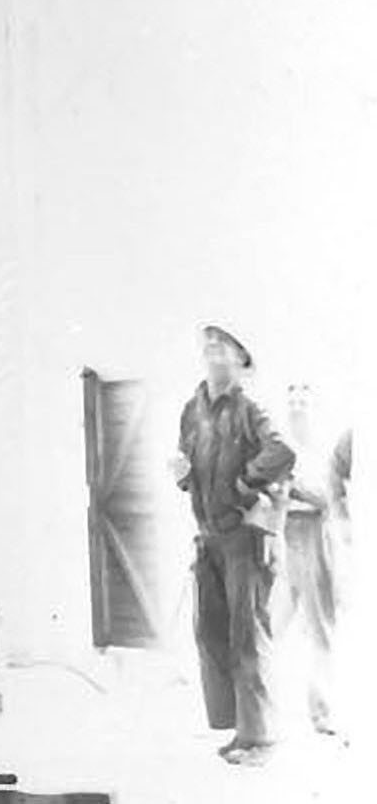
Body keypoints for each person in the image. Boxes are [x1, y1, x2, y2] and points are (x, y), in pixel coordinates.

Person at [168, 322, 294, 768]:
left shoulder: (250, 405)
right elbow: (188, 460)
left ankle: (261, 738)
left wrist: (244, 485)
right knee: (213, 633)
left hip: (245, 536)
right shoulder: (194, 408)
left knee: (247, 634)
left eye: (224, 346)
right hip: (210, 537)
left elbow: (282, 450)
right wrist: (184, 475)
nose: (213, 351)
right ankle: (239, 728)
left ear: (242, 358)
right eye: (208, 345)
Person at [279, 382, 342, 737]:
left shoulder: (322, 449)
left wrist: (295, 487)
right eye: (292, 402)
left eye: (303, 401)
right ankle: (262, 713)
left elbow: (327, 498)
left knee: (320, 629)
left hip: (315, 536)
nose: (297, 407)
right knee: (270, 626)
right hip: (284, 538)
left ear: (314, 406)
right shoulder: (280, 447)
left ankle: (321, 713)